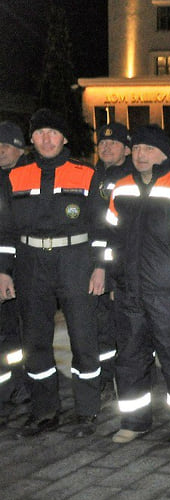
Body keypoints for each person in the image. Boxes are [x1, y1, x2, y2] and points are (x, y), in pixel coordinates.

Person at [1, 109, 105, 439]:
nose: (47, 139)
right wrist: (4, 271)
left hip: (75, 259)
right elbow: (5, 230)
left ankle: (87, 410)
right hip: (30, 262)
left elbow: (103, 226)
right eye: (40, 133)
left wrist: (101, 266)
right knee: (35, 340)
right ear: (31, 139)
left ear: (64, 138)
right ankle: (45, 411)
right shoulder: (15, 176)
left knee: (83, 337)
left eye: (53, 133)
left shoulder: (87, 173)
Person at [107, 125, 170, 445]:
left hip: (168, 293)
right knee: (129, 358)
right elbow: (111, 241)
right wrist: (113, 279)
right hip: (129, 292)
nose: (140, 154)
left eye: (148, 149)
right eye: (136, 148)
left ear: (165, 154)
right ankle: (134, 421)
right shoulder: (121, 188)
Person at [91, 123, 133, 400]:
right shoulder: (92, 175)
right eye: (102, 143)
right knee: (99, 324)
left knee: (125, 325)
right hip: (93, 262)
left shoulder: (128, 177)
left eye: (114, 143)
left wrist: (106, 266)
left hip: (117, 264)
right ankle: (105, 373)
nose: (106, 147)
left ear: (126, 149)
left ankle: (129, 375)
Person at [0, 121, 27, 423]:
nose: (1, 152)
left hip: (19, 270)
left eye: (6, 146)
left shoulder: (24, 179)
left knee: (17, 334)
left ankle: (19, 385)